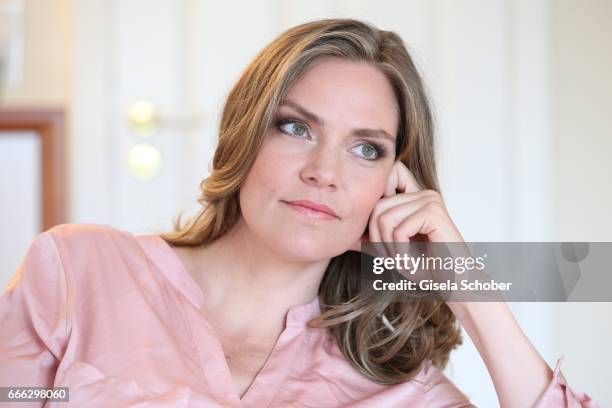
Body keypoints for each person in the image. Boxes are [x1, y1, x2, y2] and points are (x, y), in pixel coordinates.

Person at [0, 18, 599, 407]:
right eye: (295, 127)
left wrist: (468, 288)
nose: (325, 172)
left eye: (367, 149)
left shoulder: (401, 390)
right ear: (244, 135)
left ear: (395, 185)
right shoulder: (81, 269)